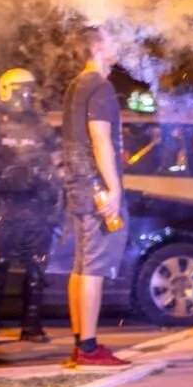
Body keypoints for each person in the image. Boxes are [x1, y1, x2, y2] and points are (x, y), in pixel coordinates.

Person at [0, 68, 60, 346]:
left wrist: (55, 197)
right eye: (22, 89)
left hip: (36, 205)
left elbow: (56, 164)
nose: (28, 95)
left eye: (30, 89)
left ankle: (31, 327)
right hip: (5, 206)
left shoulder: (42, 127)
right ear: (6, 90)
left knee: (37, 269)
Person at [62, 27, 131, 369]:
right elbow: (100, 138)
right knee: (94, 266)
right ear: (100, 46)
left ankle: (80, 344)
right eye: (114, 38)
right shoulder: (101, 87)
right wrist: (113, 188)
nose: (120, 43)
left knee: (81, 264)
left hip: (78, 186)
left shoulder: (76, 85)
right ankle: (89, 349)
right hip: (96, 189)